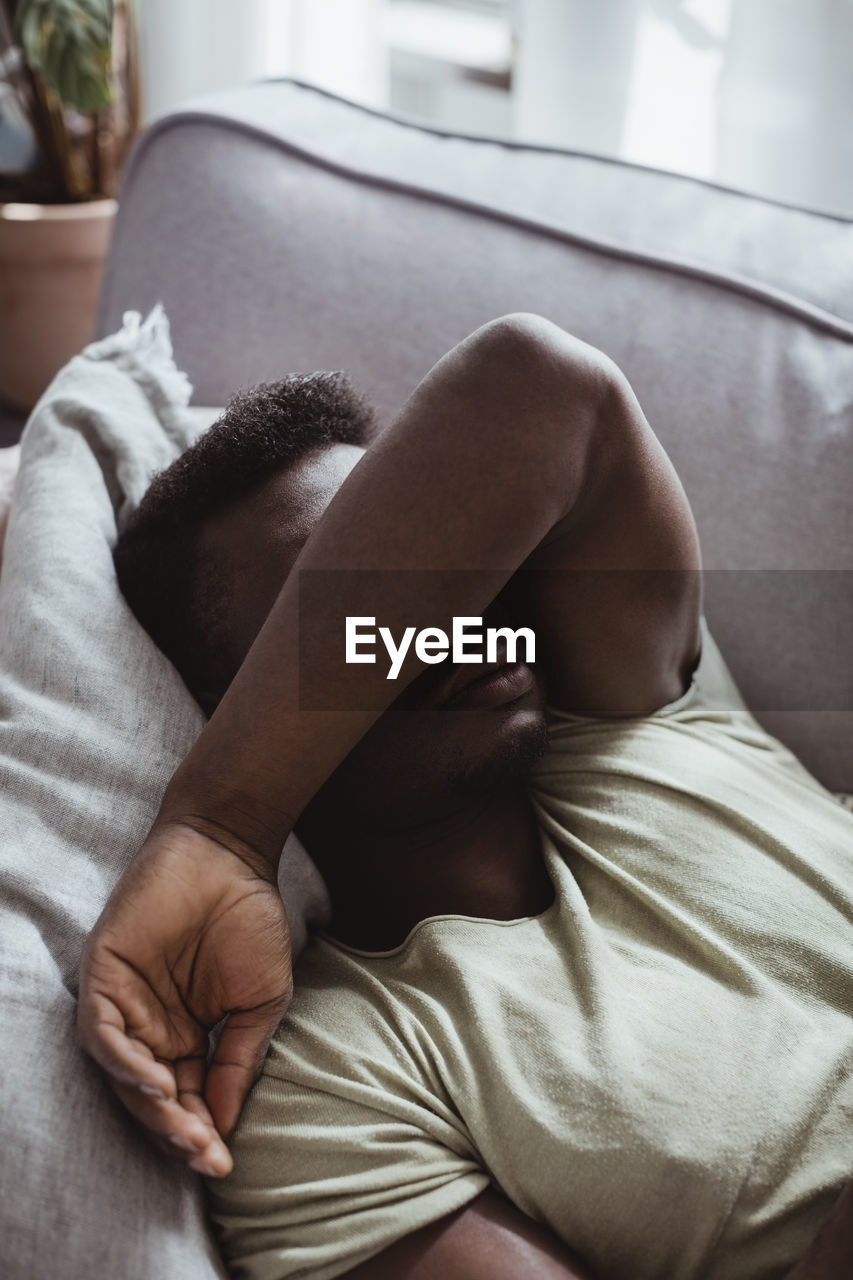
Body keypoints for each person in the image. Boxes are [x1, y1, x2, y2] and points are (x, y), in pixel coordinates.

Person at [77, 314, 853, 1279]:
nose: (461, 615)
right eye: (367, 606)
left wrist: (221, 821)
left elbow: (537, 382)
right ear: (227, 704)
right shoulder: (329, 1085)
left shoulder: (637, 716)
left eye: (447, 564)